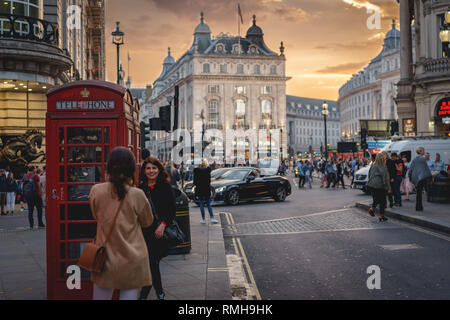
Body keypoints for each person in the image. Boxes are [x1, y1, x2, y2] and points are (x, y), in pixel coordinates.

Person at [89, 147, 154, 300]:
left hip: (104, 259)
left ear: (109, 167)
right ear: (132, 169)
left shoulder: (96, 191)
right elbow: (147, 222)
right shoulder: (137, 194)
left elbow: (95, 216)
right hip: (132, 258)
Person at [139, 157, 176, 300]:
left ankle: (150, 295)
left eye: (154, 168)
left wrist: (162, 225)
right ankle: (158, 294)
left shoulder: (165, 187)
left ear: (159, 170)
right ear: (144, 171)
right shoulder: (141, 188)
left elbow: (171, 209)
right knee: (151, 264)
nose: (151, 171)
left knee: (152, 263)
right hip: (144, 232)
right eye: (148, 168)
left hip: (160, 232)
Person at [367, 152, 391, 222]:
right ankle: (377, 213)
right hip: (379, 185)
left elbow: (369, 174)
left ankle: (380, 214)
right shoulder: (383, 165)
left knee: (378, 199)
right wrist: (387, 187)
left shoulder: (373, 165)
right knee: (382, 200)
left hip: (371, 184)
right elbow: (385, 177)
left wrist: (370, 182)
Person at [194, 159, 219, 224]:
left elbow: (194, 182)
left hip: (199, 189)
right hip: (206, 189)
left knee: (201, 204)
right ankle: (212, 218)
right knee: (208, 204)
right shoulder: (208, 171)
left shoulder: (196, 171)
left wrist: (198, 184)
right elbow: (209, 181)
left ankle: (203, 219)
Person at [408, 147, 432, 211]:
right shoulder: (423, 159)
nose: (424, 152)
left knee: (418, 193)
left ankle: (418, 207)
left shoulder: (414, 159)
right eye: (423, 151)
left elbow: (411, 169)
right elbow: (426, 168)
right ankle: (422, 205)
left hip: (416, 178)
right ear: (420, 151)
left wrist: (410, 177)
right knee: (427, 190)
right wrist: (430, 176)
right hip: (423, 178)